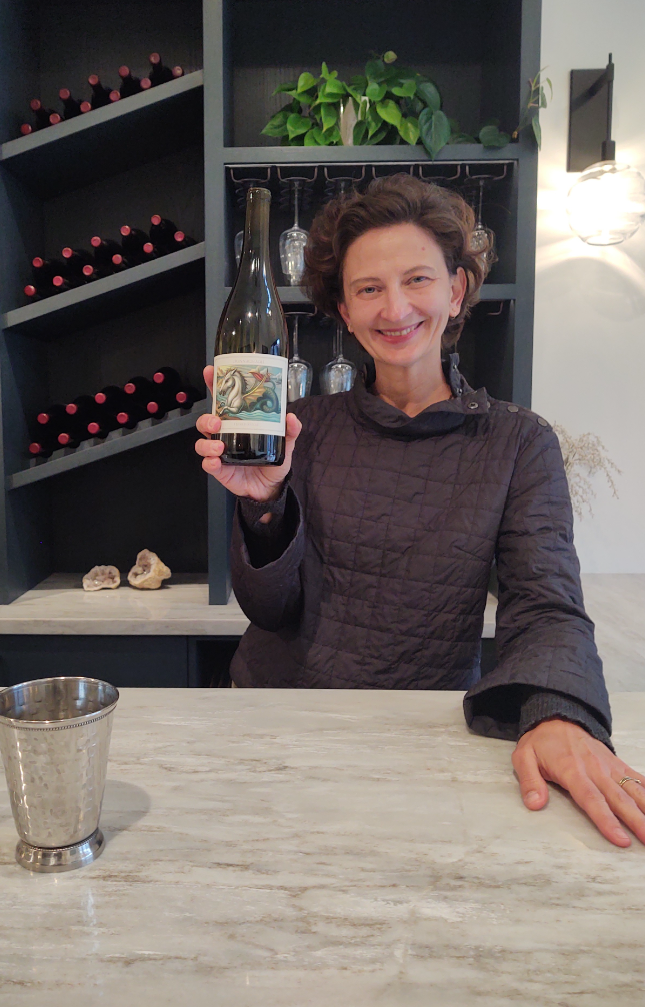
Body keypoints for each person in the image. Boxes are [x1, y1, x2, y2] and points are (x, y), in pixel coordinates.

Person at [195, 174, 645, 849]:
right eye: (368, 289)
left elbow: (545, 599)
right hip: (279, 721)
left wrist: (558, 713)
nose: (395, 307)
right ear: (344, 311)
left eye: (417, 280)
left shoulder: (518, 442)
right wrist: (263, 506)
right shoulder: (299, 429)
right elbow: (269, 610)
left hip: (427, 733)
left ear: (456, 289)